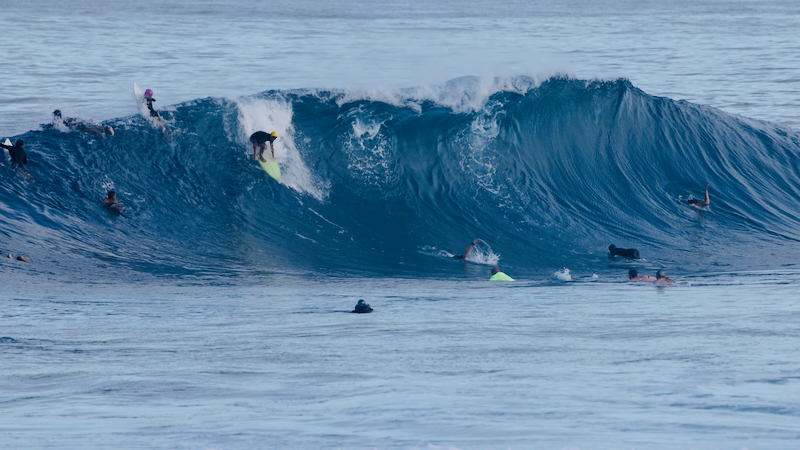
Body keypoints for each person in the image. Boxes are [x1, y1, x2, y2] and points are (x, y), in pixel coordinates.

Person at [47, 110, 114, 136]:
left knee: (88, 129)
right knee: (92, 127)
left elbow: (53, 126)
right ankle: (107, 128)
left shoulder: (59, 121)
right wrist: (87, 120)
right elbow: (75, 119)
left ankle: (100, 133)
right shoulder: (66, 118)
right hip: (79, 122)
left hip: (76, 126)